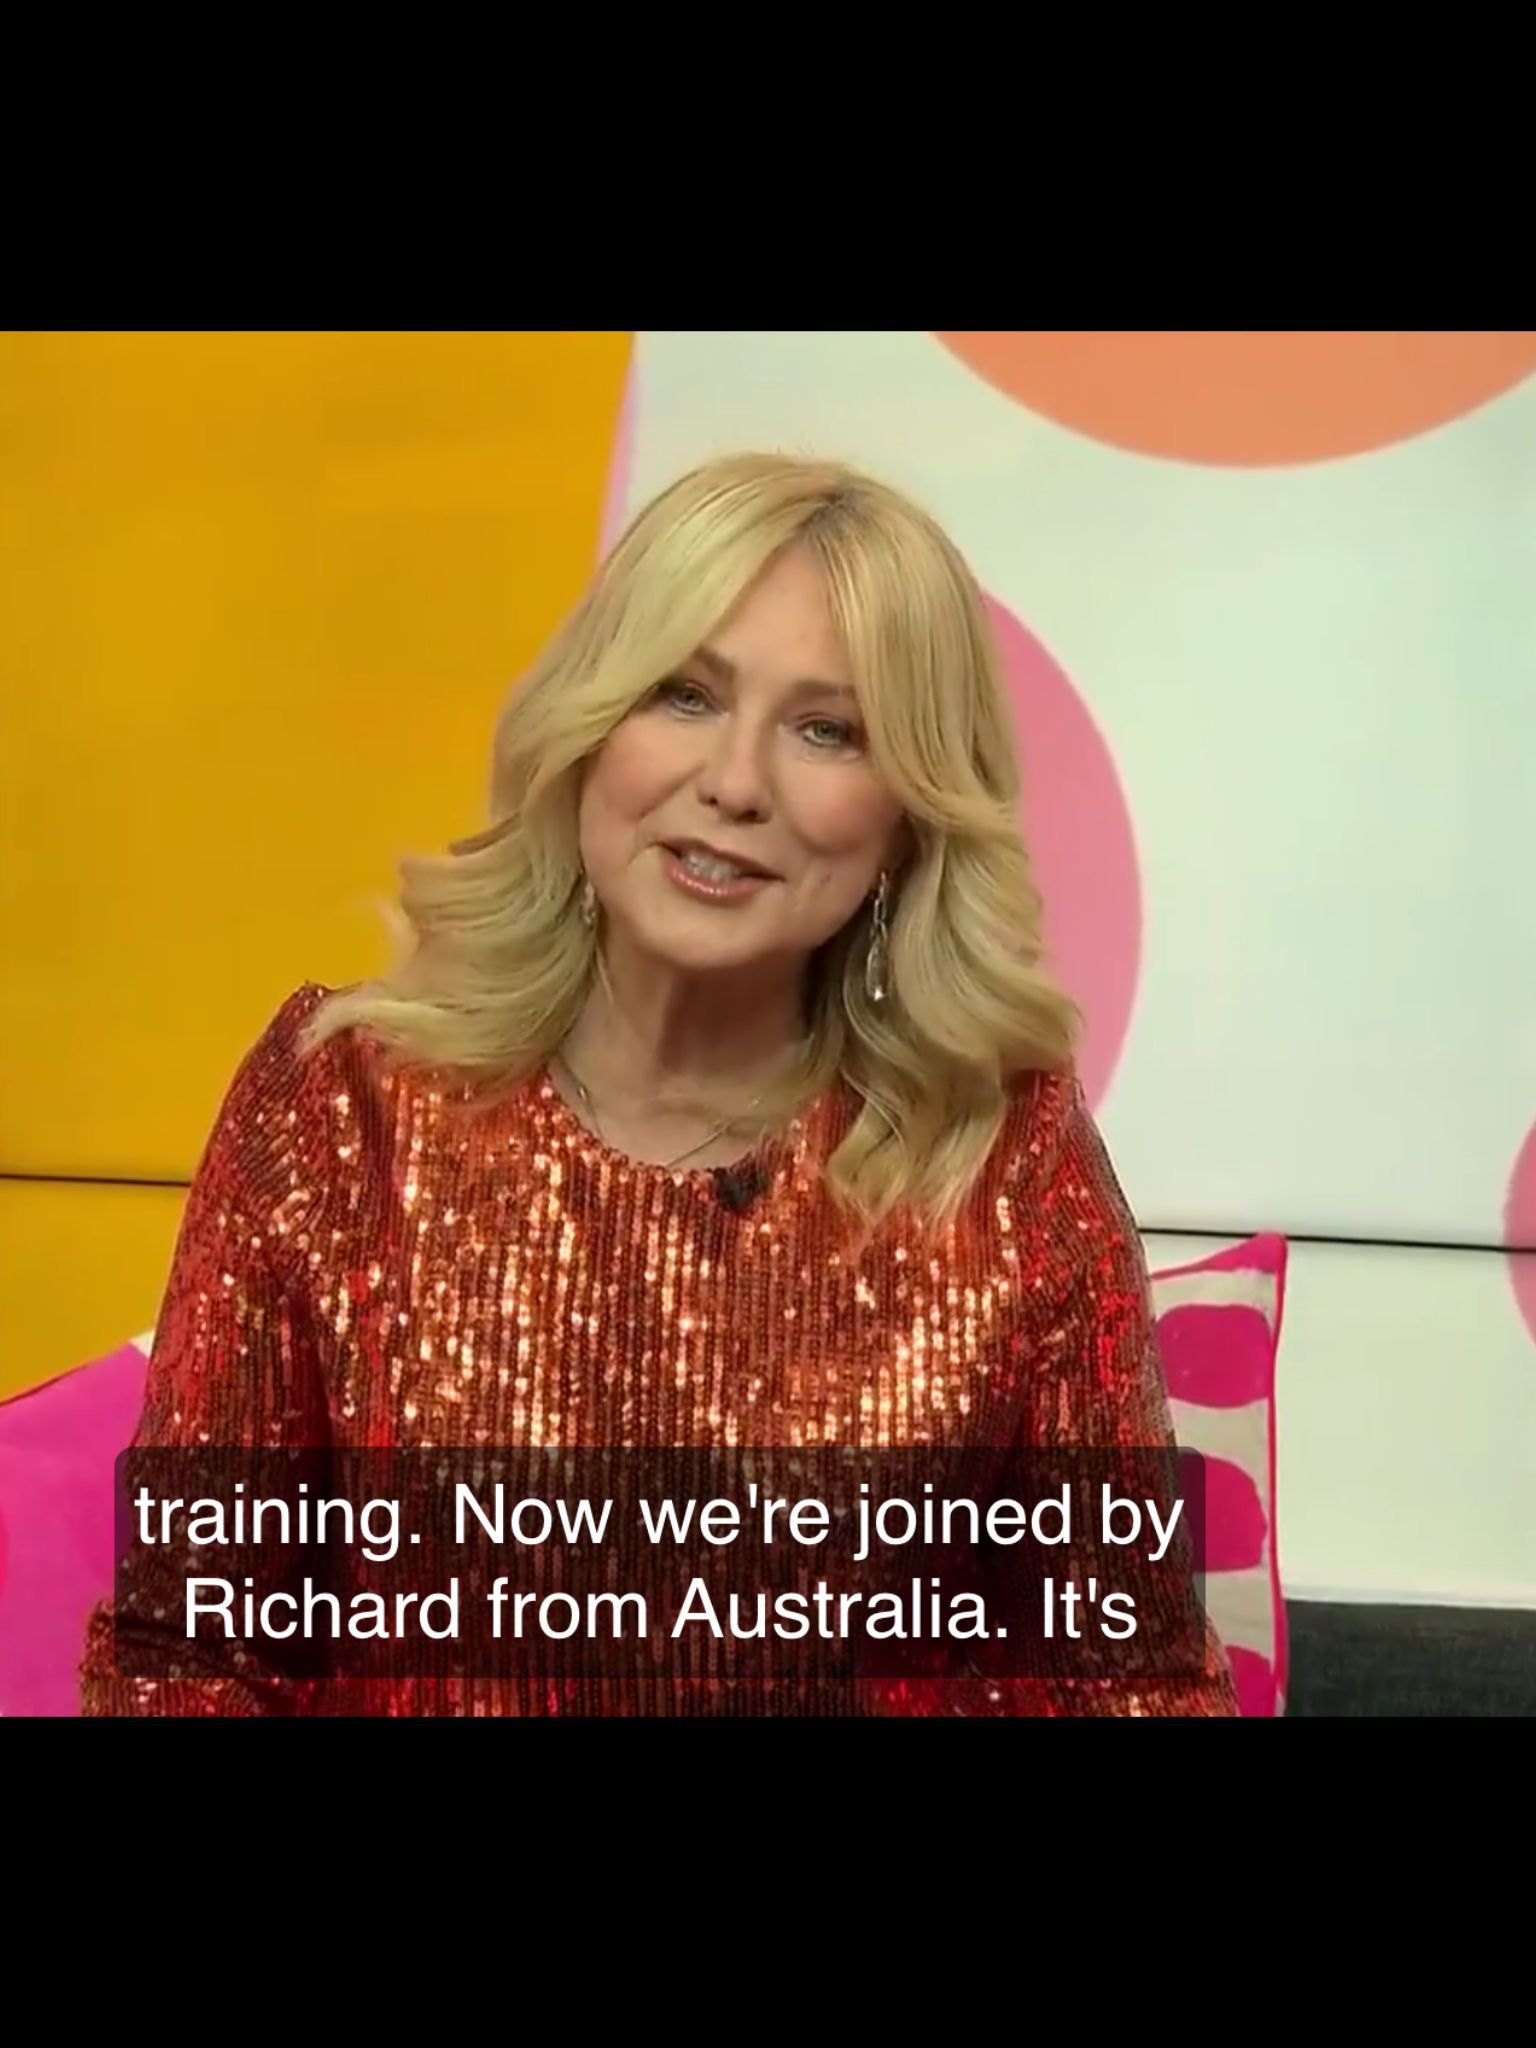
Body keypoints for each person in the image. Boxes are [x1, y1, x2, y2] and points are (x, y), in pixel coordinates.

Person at [80, 451, 1238, 1717]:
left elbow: (1130, 1683)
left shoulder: (1005, 1158)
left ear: (907, 819)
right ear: (591, 728)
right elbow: (186, 1653)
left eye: (825, 729)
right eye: (685, 693)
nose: (735, 782)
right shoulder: (341, 1107)